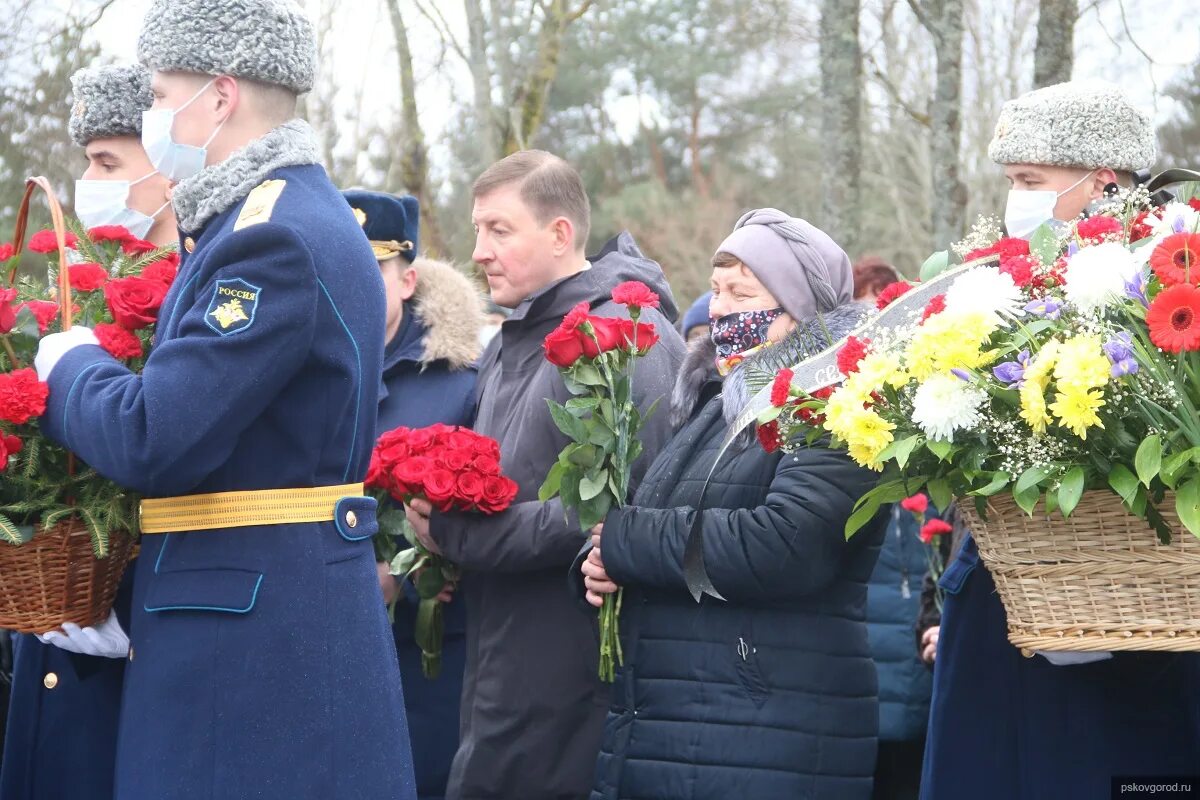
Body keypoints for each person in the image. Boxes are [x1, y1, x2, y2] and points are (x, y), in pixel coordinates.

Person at [31, 1, 415, 798]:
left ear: (220, 96)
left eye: (162, 94)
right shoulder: (260, 218)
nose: (152, 115)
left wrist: (69, 368)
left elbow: (156, 435)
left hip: (254, 646)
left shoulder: (269, 234)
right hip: (242, 617)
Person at [920, 80, 1200, 800]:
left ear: (1102, 179)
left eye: (1030, 181)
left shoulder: (1171, 274)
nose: (1017, 199)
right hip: (1005, 604)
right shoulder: (1007, 285)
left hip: (1134, 629)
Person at [577, 208, 886, 800]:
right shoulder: (713, 406)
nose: (717, 308)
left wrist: (625, 543)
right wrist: (594, 565)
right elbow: (651, 518)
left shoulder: (838, 405)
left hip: (760, 733)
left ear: (798, 308)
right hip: (671, 729)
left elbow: (786, 544)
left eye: (740, 292)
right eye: (715, 290)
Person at [405, 150, 686, 800]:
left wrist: (454, 534)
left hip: (578, 663)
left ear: (560, 233)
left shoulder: (623, 336)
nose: (478, 251)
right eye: (477, 230)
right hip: (503, 644)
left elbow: (616, 513)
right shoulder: (510, 341)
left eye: (499, 230)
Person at [0, 62, 175, 800]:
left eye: (108, 161)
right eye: (85, 161)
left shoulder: (196, 305)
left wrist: (134, 615)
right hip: (45, 644)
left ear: (168, 169)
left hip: (136, 663)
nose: (88, 179)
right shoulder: (75, 291)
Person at [344, 189, 482, 800]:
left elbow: (493, 506)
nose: (352, 284)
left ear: (408, 279)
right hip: (316, 642)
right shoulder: (293, 369)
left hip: (424, 658)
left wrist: (415, 570)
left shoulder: (462, 382)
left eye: (371, 270)